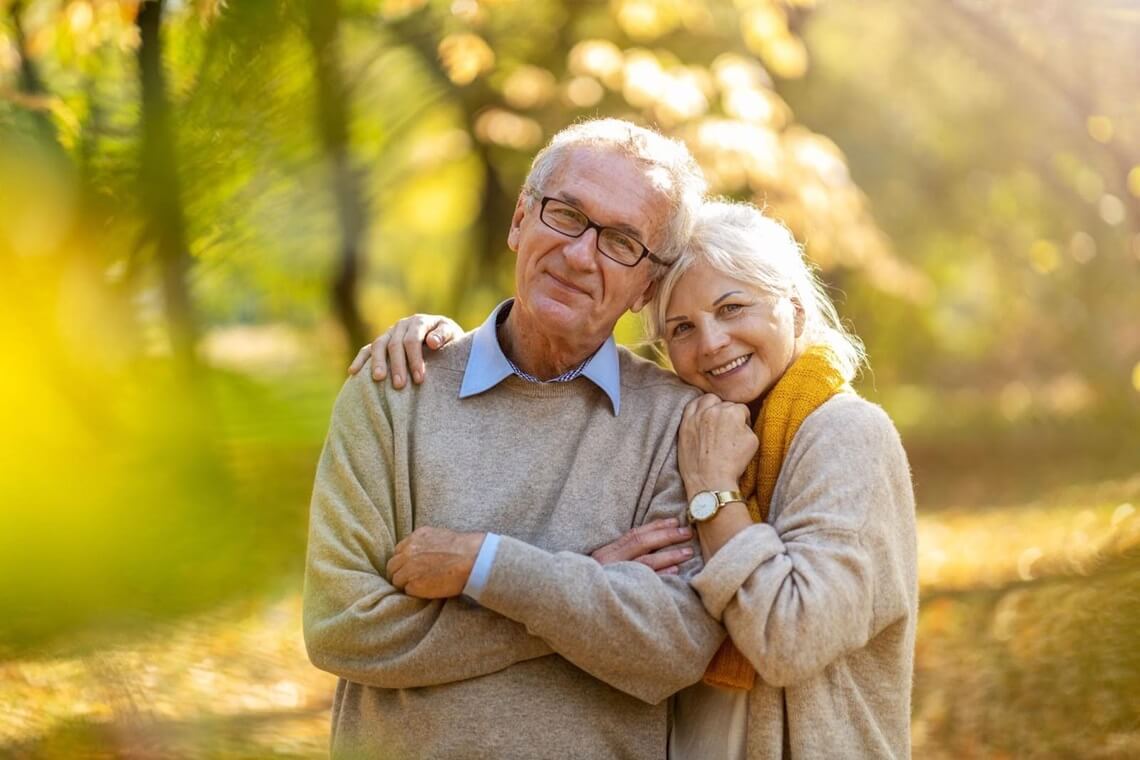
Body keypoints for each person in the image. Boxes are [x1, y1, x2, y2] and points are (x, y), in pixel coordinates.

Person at [356, 200, 918, 759]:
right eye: (682, 328)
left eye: (732, 307)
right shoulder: (700, 428)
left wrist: (714, 491)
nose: (712, 342)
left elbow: (790, 639)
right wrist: (447, 347)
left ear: (793, 310)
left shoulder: (844, 434)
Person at [303, 118, 725, 760]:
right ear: (520, 219)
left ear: (648, 284)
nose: (581, 254)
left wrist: (486, 567)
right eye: (566, 215)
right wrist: (586, 584)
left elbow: (673, 651)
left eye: (621, 242)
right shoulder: (395, 388)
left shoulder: (681, 424)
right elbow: (341, 628)